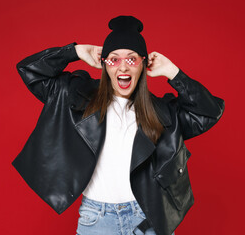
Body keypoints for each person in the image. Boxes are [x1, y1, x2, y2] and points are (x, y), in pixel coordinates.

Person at [12, 16, 225, 235]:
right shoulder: (76, 98)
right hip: (96, 220)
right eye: (114, 59)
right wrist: (75, 52)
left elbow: (209, 112)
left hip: (147, 221)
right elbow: (30, 70)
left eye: (132, 59)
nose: (123, 66)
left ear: (143, 64)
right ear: (104, 64)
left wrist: (173, 73)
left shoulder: (163, 113)